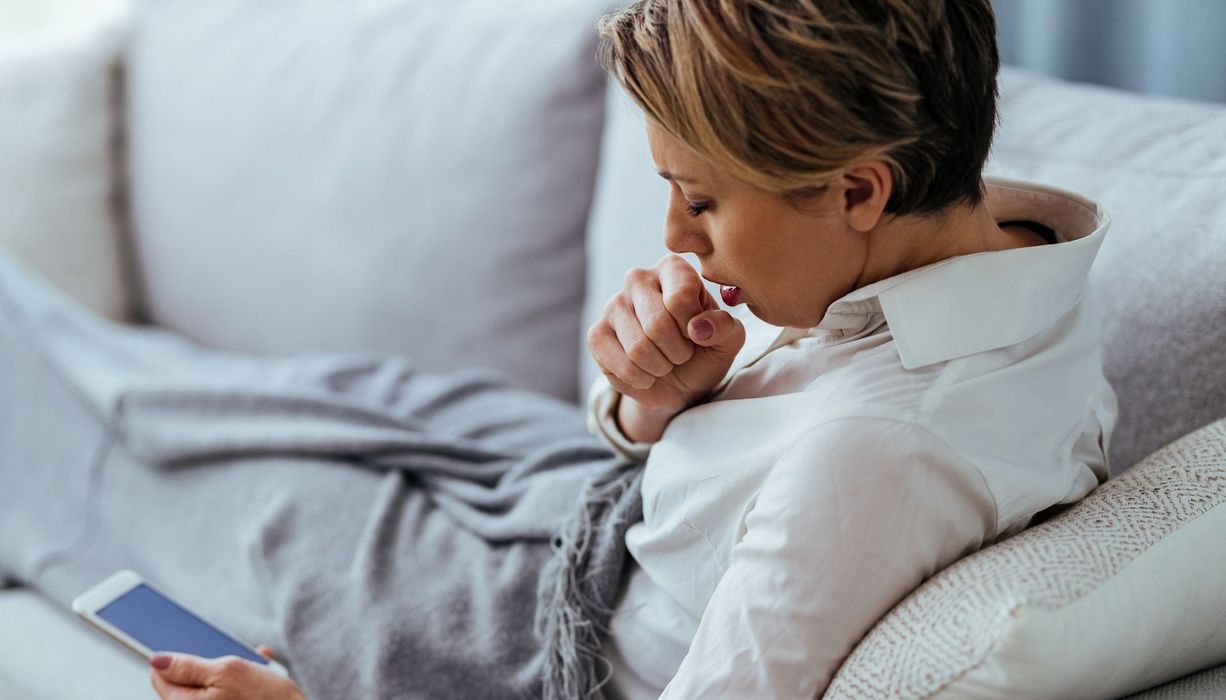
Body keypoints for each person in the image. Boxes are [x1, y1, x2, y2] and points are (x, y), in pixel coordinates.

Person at [0, 1, 1115, 698]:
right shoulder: (1021, 252)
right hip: (560, 485)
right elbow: (724, 478)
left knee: (122, 439)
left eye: (697, 200)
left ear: (859, 189)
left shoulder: (876, 452)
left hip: (520, 623)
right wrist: (650, 405)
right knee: (265, 389)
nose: (674, 237)